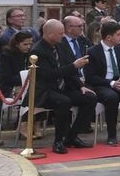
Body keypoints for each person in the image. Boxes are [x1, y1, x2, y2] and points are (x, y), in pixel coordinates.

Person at [30, 20, 96, 154]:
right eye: (60, 33)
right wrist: (74, 66)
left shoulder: (60, 46)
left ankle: (71, 136)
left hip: (63, 88)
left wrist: (80, 86)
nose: (62, 36)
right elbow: (49, 75)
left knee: (90, 97)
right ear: (49, 34)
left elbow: (68, 69)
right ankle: (58, 140)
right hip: (45, 90)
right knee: (63, 102)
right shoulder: (38, 50)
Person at [0, 31, 36, 137]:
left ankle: (26, 123)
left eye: (30, 44)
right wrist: (24, 81)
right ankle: (20, 124)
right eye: (25, 44)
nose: (28, 47)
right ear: (16, 44)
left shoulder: (30, 55)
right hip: (7, 86)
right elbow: (6, 77)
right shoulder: (7, 55)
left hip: (24, 84)